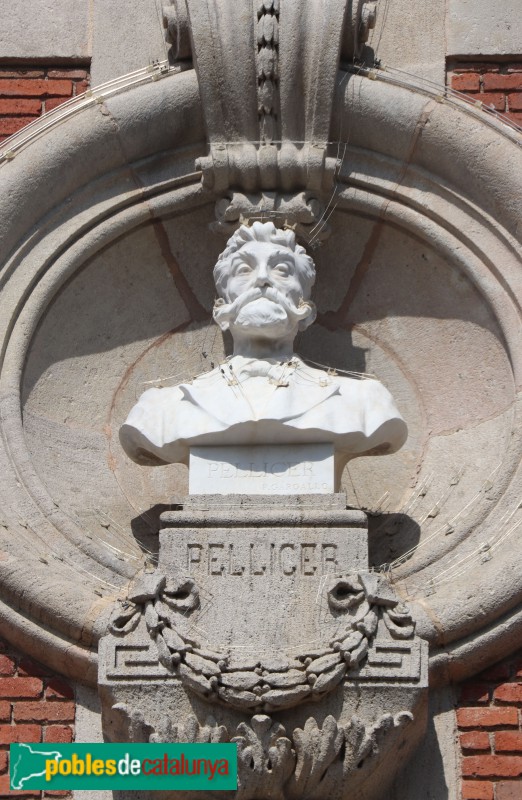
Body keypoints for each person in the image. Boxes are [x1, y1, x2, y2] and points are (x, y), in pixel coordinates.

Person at [119, 222, 407, 481]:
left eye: (281, 270)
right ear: (221, 306)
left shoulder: (364, 401)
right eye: (244, 269)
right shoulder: (162, 408)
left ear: (306, 308)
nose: (262, 280)